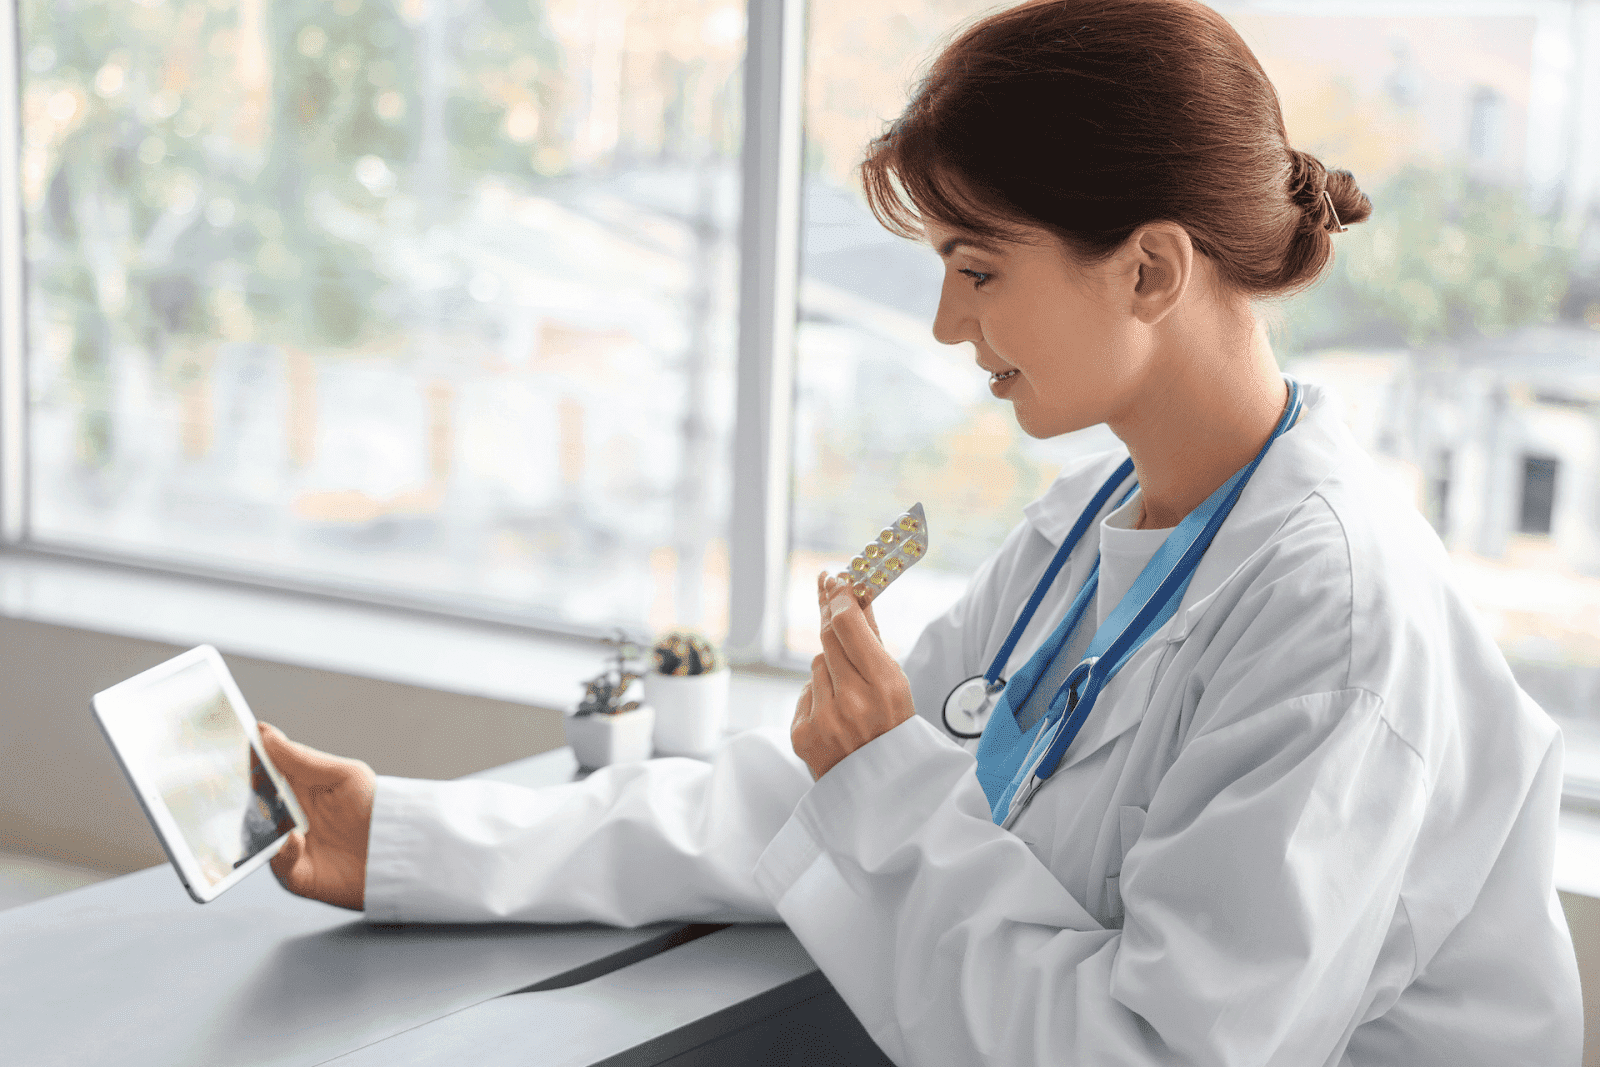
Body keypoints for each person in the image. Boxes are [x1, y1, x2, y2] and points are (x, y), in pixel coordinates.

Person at [256, 0, 1585, 1062]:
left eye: (979, 267)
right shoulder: (1091, 530)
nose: (949, 327)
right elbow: (806, 803)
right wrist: (412, 839)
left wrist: (888, 781)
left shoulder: (1337, 623)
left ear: (1150, 269)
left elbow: (1154, 1048)